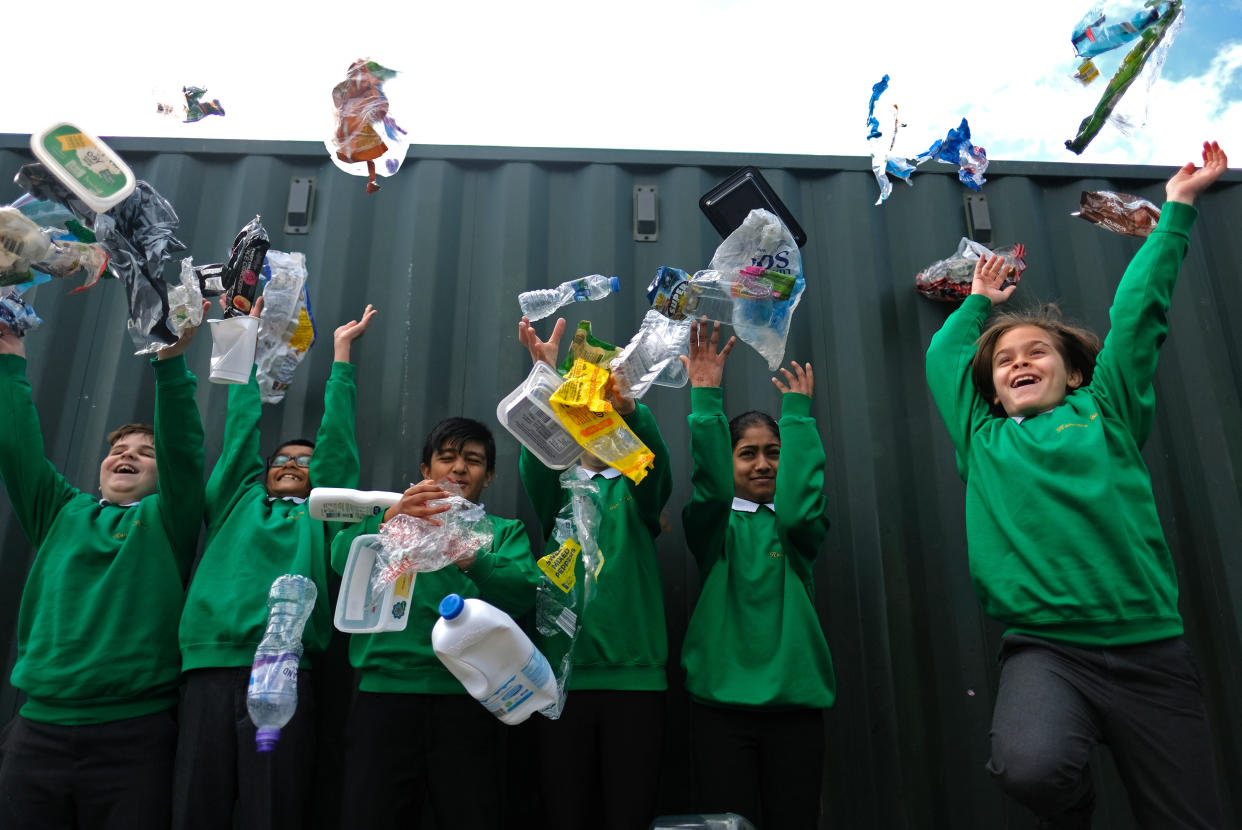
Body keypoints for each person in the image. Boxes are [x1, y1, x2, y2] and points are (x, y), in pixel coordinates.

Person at [924, 140, 1228, 828]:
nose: (1019, 362)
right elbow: (945, 353)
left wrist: (1177, 210)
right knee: (1030, 766)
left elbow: (1140, 312)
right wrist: (978, 302)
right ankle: (1078, 812)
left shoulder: (1107, 408)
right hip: (1047, 650)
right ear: (993, 393)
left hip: (1152, 649)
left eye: (1037, 353)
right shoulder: (984, 435)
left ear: (1075, 375)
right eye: (1004, 361)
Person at [171, 300, 376, 830]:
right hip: (208, 670)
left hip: (285, 674)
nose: (289, 465)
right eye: (281, 459)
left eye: (303, 462)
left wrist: (342, 358)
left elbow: (337, 450)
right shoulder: (234, 500)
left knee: (275, 807)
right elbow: (239, 429)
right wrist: (246, 332)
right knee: (197, 805)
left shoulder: (322, 513)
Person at [0, 307, 208, 830]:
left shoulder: (168, 519)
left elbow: (183, 450)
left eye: (145, 453)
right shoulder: (60, 511)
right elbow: (16, 446)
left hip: (134, 735)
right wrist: (8, 360)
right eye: (118, 450)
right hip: (36, 730)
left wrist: (170, 363)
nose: (128, 456)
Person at [332, 417, 540, 829]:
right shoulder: (392, 521)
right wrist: (390, 520)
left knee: (471, 815)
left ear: (490, 475)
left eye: (474, 460)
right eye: (446, 458)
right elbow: (341, 559)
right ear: (426, 471)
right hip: (384, 694)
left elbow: (524, 592)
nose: (459, 468)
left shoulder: (502, 531)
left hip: (470, 697)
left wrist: (471, 557)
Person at [517, 315, 673, 830]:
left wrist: (633, 413)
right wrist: (544, 383)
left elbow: (654, 475)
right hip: (563, 682)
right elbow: (536, 466)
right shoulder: (559, 491)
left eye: (605, 414)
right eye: (583, 412)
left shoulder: (635, 493)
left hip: (636, 683)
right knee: (565, 814)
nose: (594, 421)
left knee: (631, 813)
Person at [679, 319, 835, 830]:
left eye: (774, 454)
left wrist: (798, 420)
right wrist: (705, 400)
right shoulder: (715, 529)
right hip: (720, 712)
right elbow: (709, 489)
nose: (763, 464)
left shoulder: (798, 536)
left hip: (795, 712)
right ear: (731, 462)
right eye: (748, 453)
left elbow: (797, 511)